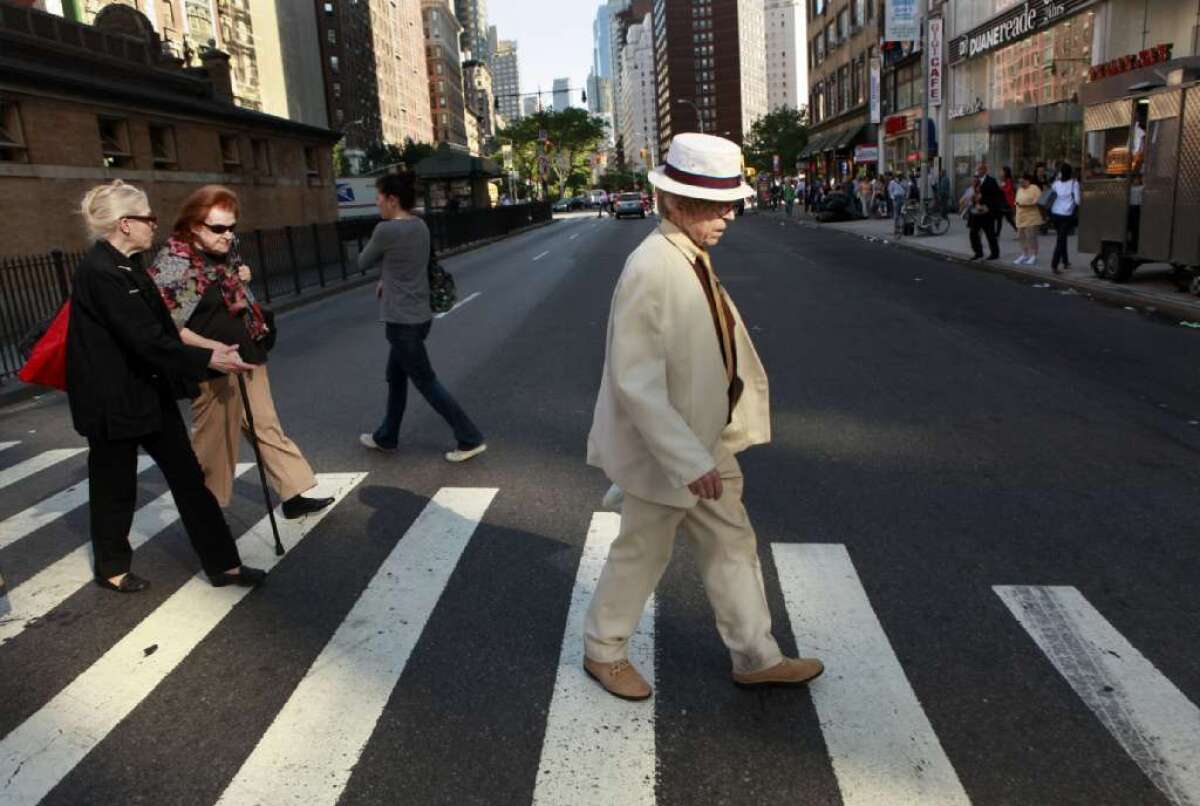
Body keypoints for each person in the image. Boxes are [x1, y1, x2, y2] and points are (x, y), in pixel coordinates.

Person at [582, 132, 824, 701]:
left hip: (700, 440)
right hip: (667, 452)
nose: (727, 217)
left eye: (729, 204)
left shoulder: (686, 257)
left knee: (731, 543)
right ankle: (603, 651)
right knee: (642, 551)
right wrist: (688, 459)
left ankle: (756, 655)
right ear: (674, 202)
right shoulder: (652, 267)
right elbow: (635, 381)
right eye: (713, 205)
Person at [66, 180, 266, 593]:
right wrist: (208, 358)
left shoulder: (131, 265)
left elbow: (163, 329)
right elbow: (144, 338)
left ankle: (223, 564)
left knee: (190, 479)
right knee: (114, 486)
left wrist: (210, 347)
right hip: (112, 399)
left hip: (148, 390)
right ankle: (112, 567)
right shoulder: (100, 271)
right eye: (147, 218)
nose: (154, 224)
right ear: (124, 224)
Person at [149, 186, 334, 520]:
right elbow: (168, 326)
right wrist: (213, 348)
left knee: (265, 426)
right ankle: (206, 514)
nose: (228, 235)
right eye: (219, 228)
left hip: (248, 353)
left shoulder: (226, 252)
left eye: (232, 227)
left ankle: (292, 493)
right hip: (214, 366)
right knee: (215, 446)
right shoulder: (174, 264)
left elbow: (234, 297)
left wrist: (242, 276)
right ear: (194, 226)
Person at [358, 172, 487, 461]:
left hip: (401, 321)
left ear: (392, 200)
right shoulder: (421, 226)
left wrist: (382, 265)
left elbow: (362, 261)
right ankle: (387, 436)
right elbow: (409, 264)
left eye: (379, 197)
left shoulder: (386, 230)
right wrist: (387, 277)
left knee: (426, 382)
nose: (377, 202)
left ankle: (469, 437)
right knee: (396, 377)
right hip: (420, 315)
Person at [1049, 163, 1081, 273]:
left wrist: (1057, 177)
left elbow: (1051, 190)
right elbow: (1077, 201)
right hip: (1066, 214)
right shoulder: (1074, 183)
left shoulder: (1057, 183)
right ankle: (1054, 264)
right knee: (1061, 240)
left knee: (1061, 238)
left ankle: (1065, 261)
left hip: (1055, 213)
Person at [969, 162, 1004, 260]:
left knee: (990, 234)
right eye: (977, 169)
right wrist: (974, 200)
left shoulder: (991, 181)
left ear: (985, 170)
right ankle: (978, 252)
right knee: (973, 234)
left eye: (980, 169)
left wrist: (988, 206)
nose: (978, 171)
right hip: (976, 212)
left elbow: (996, 197)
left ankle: (995, 253)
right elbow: (972, 195)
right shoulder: (975, 181)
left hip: (987, 212)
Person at [1013, 173, 1043, 266]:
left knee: (1031, 237)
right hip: (1020, 217)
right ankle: (1025, 254)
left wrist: (1026, 205)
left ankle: (1033, 256)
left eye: (1022, 181)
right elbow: (1016, 201)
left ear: (1027, 180)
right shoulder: (1019, 189)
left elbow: (1038, 201)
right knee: (1021, 237)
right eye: (1019, 181)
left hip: (1032, 217)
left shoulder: (1034, 188)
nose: (1020, 183)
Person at [999, 166, 1018, 235]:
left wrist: (1002, 188)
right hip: (1004, 202)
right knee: (1008, 218)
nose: (1000, 173)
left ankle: (1018, 230)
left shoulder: (1009, 180)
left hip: (1010, 201)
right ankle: (1017, 229)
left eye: (1002, 171)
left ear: (1005, 172)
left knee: (1011, 217)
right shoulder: (1003, 180)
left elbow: (1008, 190)